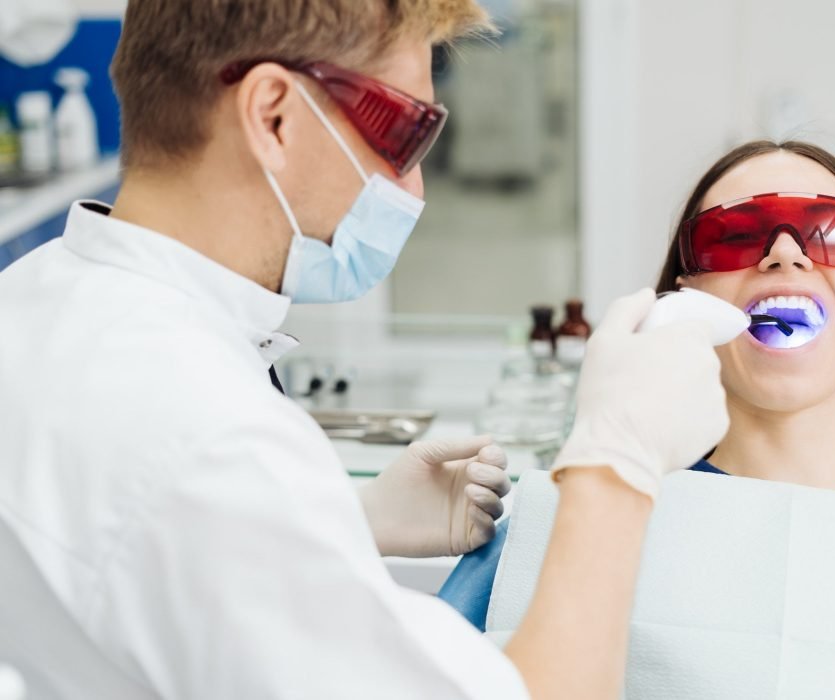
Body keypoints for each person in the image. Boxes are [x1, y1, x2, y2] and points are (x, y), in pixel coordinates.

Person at [0, 1, 731, 698]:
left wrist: (345, 519)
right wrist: (615, 461)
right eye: (404, 135)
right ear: (274, 117)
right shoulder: (208, 437)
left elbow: (141, 565)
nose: (411, 185)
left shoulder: (35, 294)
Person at [440, 139, 835, 631]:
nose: (785, 253)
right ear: (685, 300)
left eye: (831, 232)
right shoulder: (564, 526)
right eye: (733, 235)